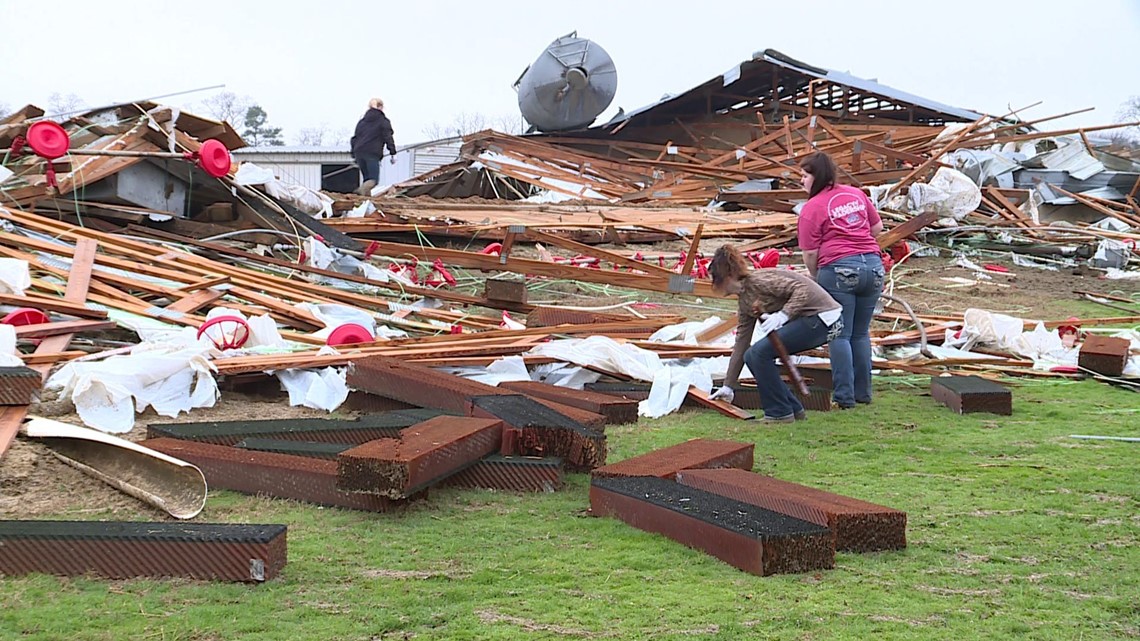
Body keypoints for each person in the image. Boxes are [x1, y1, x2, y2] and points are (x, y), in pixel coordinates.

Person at [709, 244, 843, 423]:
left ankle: (779, 412)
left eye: (715, 278)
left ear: (727, 275)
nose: (713, 284)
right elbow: (741, 343)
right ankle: (792, 409)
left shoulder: (758, 282)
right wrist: (728, 385)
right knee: (753, 355)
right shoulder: (745, 300)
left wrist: (783, 315)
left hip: (823, 318)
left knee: (758, 354)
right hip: (815, 320)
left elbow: (801, 290)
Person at [796, 151, 885, 409]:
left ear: (817, 176)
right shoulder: (856, 194)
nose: (802, 181)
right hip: (874, 267)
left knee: (839, 334)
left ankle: (844, 397)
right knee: (860, 333)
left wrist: (815, 276)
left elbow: (810, 253)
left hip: (838, 270)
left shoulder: (812, 208)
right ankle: (863, 393)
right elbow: (877, 229)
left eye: (804, 176)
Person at [350, 98, 397, 195]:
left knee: (367, 179)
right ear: (380, 107)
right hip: (372, 153)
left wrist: (354, 155)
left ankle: (366, 202)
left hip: (359, 153)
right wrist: (393, 153)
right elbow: (388, 137)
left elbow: (355, 139)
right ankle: (359, 192)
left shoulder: (362, 122)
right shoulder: (383, 121)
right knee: (373, 180)